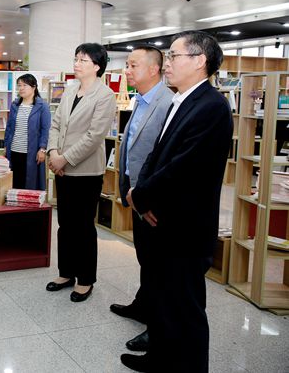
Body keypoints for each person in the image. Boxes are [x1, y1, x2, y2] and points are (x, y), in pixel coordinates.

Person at [123, 31, 233, 372]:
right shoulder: (181, 99)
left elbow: (183, 167)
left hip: (185, 227)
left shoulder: (211, 106)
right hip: (163, 219)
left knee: (185, 309)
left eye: (174, 56)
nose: (167, 63)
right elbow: (157, 156)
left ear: (200, 61)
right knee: (164, 299)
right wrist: (140, 196)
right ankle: (159, 357)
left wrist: (141, 196)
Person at [109, 47, 173, 353]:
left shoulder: (167, 103)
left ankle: (156, 325)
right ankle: (143, 305)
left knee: (157, 265)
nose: (127, 70)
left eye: (133, 65)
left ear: (154, 69)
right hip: (136, 195)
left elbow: (164, 159)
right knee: (145, 258)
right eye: (127, 64)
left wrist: (148, 199)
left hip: (151, 199)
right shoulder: (141, 99)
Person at [45, 43, 117, 302]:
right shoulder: (70, 90)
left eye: (83, 60)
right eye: (76, 58)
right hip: (62, 169)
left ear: (97, 66)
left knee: (83, 226)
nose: (76, 63)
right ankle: (66, 273)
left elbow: (94, 136)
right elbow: (55, 125)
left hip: (86, 172)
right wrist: (53, 152)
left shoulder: (105, 95)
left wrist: (64, 159)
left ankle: (85, 279)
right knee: (65, 224)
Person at [3, 73, 51, 190]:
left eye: (24, 85)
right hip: (14, 150)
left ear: (34, 87)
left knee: (29, 183)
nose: (21, 88)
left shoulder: (42, 106)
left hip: (32, 152)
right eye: (19, 85)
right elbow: (9, 127)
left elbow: (45, 129)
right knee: (14, 182)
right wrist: (6, 146)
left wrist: (42, 149)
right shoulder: (15, 105)